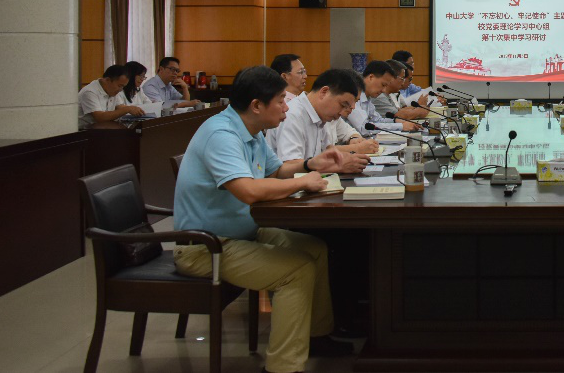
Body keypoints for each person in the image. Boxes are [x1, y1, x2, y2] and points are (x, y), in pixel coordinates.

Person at [173, 66, 357, 372]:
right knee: (295, 271)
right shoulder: (221, 134)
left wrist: (311, 164)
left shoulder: (252, 131)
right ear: (257, 105)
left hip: (242, 233)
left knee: (315, 249)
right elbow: (247, 190)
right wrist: (303, 182)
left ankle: (316, 336)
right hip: (207, 247)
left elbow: (277, 170)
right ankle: (283, 366)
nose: (286, 107)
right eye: (281, 101)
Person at [265, 68, 374, 168]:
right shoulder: (293, 115)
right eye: (343, 105)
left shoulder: (320, 116)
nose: (343, 112)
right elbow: (291, 165)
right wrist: (338, 166)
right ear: (324, 92)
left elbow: (325, 153)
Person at [345, 60, 413, 135]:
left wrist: (395, 121)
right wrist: (400, 126)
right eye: (383, 85)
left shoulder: (368, 97)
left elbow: (377, 120)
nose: (384, 90)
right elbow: (364, 128)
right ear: (371, 77)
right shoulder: (353, 95)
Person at [78, 64, 145, 128]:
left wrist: (135, 110)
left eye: (123, 87)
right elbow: (100, 117)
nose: (121, 89)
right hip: (85, 132)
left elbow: (120, 107)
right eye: (120, 86)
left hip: (104, 129)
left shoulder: (112, 90)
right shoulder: (90, 92)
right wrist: (128, 109)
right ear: (107, 80)